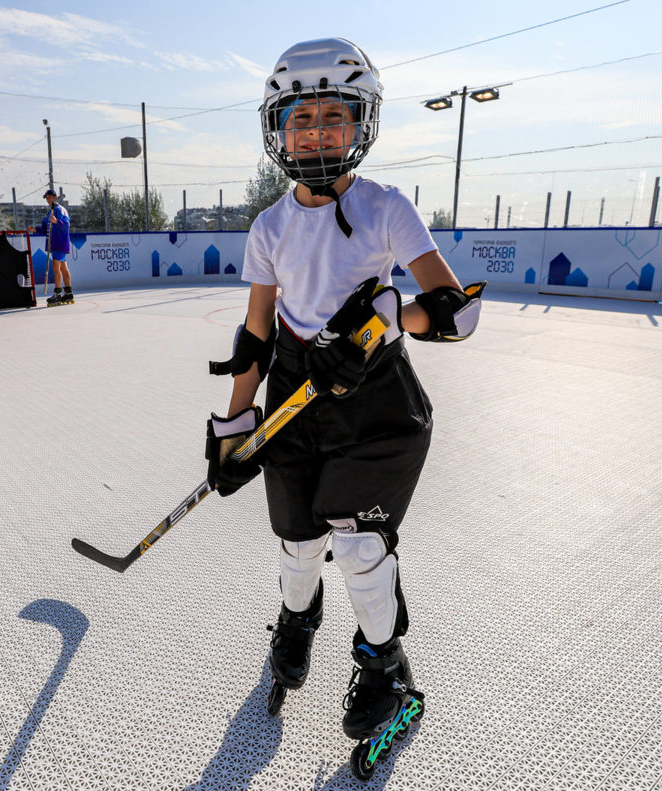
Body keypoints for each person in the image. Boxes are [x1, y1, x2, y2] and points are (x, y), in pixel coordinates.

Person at [205, 38, 483, 752]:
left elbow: (457, 311)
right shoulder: (268, 226)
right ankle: (297, 622)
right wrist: (233, 429)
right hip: (298, 396)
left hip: (377, 404)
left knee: (359, 547)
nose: (319, 131)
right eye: (303, 118)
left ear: (363, 124)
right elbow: (255, 336)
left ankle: (384, 663)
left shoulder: (388, 207)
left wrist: (387, 317)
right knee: (297, 547)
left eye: (336, 116)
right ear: (278, 128)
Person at [30, 189, 73, 305]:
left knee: (56, 267)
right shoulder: (51, 212)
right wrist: (35, 230)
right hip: (53, 243)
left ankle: (58, 293)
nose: (48, 200)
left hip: (59, 242)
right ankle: (68, 293)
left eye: (49, 197)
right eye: (46, 198)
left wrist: (56, 221)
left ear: (54, 197)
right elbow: (45, 228)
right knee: (63, 267)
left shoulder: (60, 210)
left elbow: (66, 225)